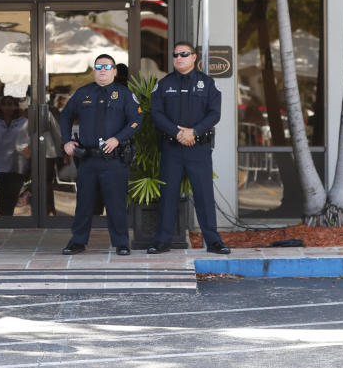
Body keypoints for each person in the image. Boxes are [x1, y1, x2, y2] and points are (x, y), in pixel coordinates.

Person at [148, 41, 231, 255]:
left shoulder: (208, 83)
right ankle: (162, 241)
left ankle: (213, 241)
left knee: (203, 194)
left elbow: (214, 113)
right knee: (168, 195)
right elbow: (156, 114)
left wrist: (193, 132)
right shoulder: (164, 84)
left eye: (184, 54)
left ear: (194, 57)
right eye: (175, 55)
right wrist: (177, 133)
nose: (179, 58)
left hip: (198, 149)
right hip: (171, 149)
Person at [59, 54, 142, 256]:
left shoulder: (124, 94)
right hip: (87, 159)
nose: (102, 70)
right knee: (84, 204)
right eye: (98, 66)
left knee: (116, 204)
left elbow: (136, 119)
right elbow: (65, 115)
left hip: (113, 160)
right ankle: (78, 241)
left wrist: (118, 139)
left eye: (107, 66)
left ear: (114, 70)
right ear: (94, 70)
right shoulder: (83, 93)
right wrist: (66, 141)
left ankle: (121, 243)